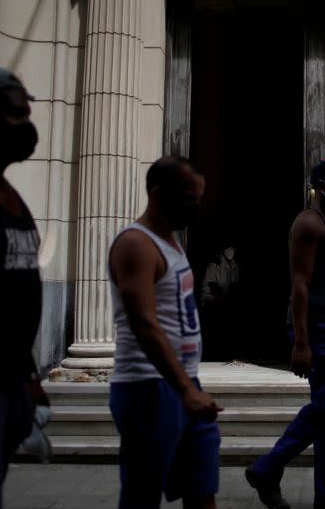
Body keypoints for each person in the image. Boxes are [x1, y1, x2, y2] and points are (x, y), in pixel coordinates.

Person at [245, 158, 325, 509]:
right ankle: (267, 468)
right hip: (314, 328)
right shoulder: (308, 223)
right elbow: (300, 285)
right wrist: (301, 342)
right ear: (321, 185)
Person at [108, 156, 222, 509]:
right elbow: (142, 322)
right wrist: (184, 388)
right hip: (147, 386)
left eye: (199, 198)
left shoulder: (171, 241)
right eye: (189, 197)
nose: (196, 206)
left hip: (184, 383)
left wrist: (189, 386)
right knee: (142, 495)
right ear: (157, 194)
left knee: (202, 489)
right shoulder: (136, 244)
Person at [0, 67, 50, 509]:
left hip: (10, 378)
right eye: (14, 114)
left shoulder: (7, 191)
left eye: (27, 113)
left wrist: (29, 376)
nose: (26, 126)